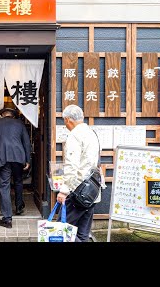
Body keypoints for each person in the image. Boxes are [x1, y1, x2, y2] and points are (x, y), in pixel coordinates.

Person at [55, 104, 102, 242]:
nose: (66, 125)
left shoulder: (74, 135)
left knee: (61, 230)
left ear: (68, 120)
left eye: (65, 122)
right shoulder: (91, 133)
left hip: (77, 191)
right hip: (92, 191)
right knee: (82, 233)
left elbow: (72, 166)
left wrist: (64, 191)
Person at [0, 107, 31, 229]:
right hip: (19, 157)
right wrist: (28, 160)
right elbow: (26, 142)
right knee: (18, 181)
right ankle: (19, 207)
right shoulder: (20, 124)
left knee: (4, 186)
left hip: (3, 158)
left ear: (2, 115)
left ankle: (7, 219)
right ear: (13, 115)